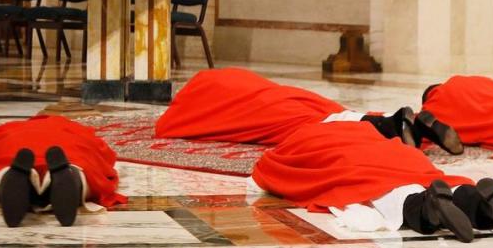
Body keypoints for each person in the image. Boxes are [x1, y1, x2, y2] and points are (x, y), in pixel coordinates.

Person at [250, 120, 493, 242]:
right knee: (424, 179)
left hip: (357, 163)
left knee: (393, 193)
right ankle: (480, 200)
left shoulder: (302, 140)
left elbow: (269, 172)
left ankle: (429, 207)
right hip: (396, 155)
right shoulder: (363, 130)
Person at [155, 67, 463, 154]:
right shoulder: (214, 78)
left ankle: (391, 127)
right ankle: (401, 124)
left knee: (314, 125)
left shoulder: (195, 101)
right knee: (322, 112)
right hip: (278, 95)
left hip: (264, 107)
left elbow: (168, 127)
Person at [0, 115, 126, 227]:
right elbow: (104, 155)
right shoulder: (73, 128)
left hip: (14, 145)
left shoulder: (9, 128)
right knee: (81, 166)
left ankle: (9, 179)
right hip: (67, 146)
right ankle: (73, 177)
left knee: (0, 165)